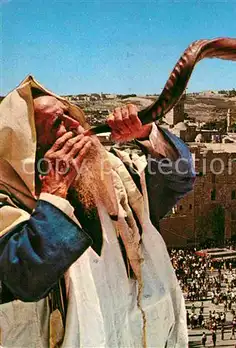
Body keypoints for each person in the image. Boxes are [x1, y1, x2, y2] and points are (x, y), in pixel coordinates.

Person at [0, 76, 195, 347]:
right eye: (59, 123)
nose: (77, 126)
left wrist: (147, 133)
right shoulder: (8, 209)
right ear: (33, 150)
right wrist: (55, 193)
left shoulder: (118, 181)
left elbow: (181, 176)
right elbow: (26, 277)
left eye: (69, 114)